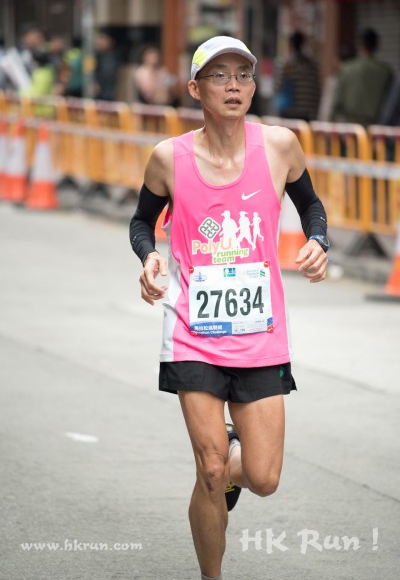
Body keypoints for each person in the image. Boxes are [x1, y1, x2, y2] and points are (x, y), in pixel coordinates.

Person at [129, 35, 329, 580]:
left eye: (243, 74)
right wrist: (149, 256)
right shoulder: (169, 158)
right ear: (195, 89)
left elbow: (311, 206)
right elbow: (142, 221)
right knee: (211, 469)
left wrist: (319, 242)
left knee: (262, 478)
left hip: (260, 334)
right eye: (219, 76)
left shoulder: (280, 146)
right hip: (192, 331)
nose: (234, 85)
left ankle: (230, 460)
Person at [330, 28, 392, 126]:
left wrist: (330, 120)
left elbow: (337, 100)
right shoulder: (385, 71)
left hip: (350, 125)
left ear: (358, 44)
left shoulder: (347, 68)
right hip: (375, 127)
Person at [274, 31, 320, 121]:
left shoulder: (285, 64)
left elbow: (277, 88)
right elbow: (316, 91)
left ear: (290, 44)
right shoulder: (312, 66)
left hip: (288, 113)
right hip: (307, 114)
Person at [94, 30, 120, 101]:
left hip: (111, 92)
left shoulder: (115, 56)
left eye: (104, 39)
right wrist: (94, 82)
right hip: (99, 92)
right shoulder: (96, 56)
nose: (101, 42)